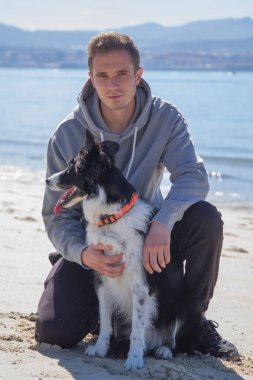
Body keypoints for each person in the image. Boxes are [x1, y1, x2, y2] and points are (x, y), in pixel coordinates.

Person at [35, 31, 238, 360]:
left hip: (148, 236)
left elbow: (193, 177)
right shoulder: (68, 133)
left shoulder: (165, 118)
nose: (112, 85)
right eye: (103, 76)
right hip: (93, 244)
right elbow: (56, 216)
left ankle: (191, 323)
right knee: (53, 332)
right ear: (91, 79)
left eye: (121, 75)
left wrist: (163, 222)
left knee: (205, 218)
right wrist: (83, 254)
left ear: (138, 75)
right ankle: (111, 322)